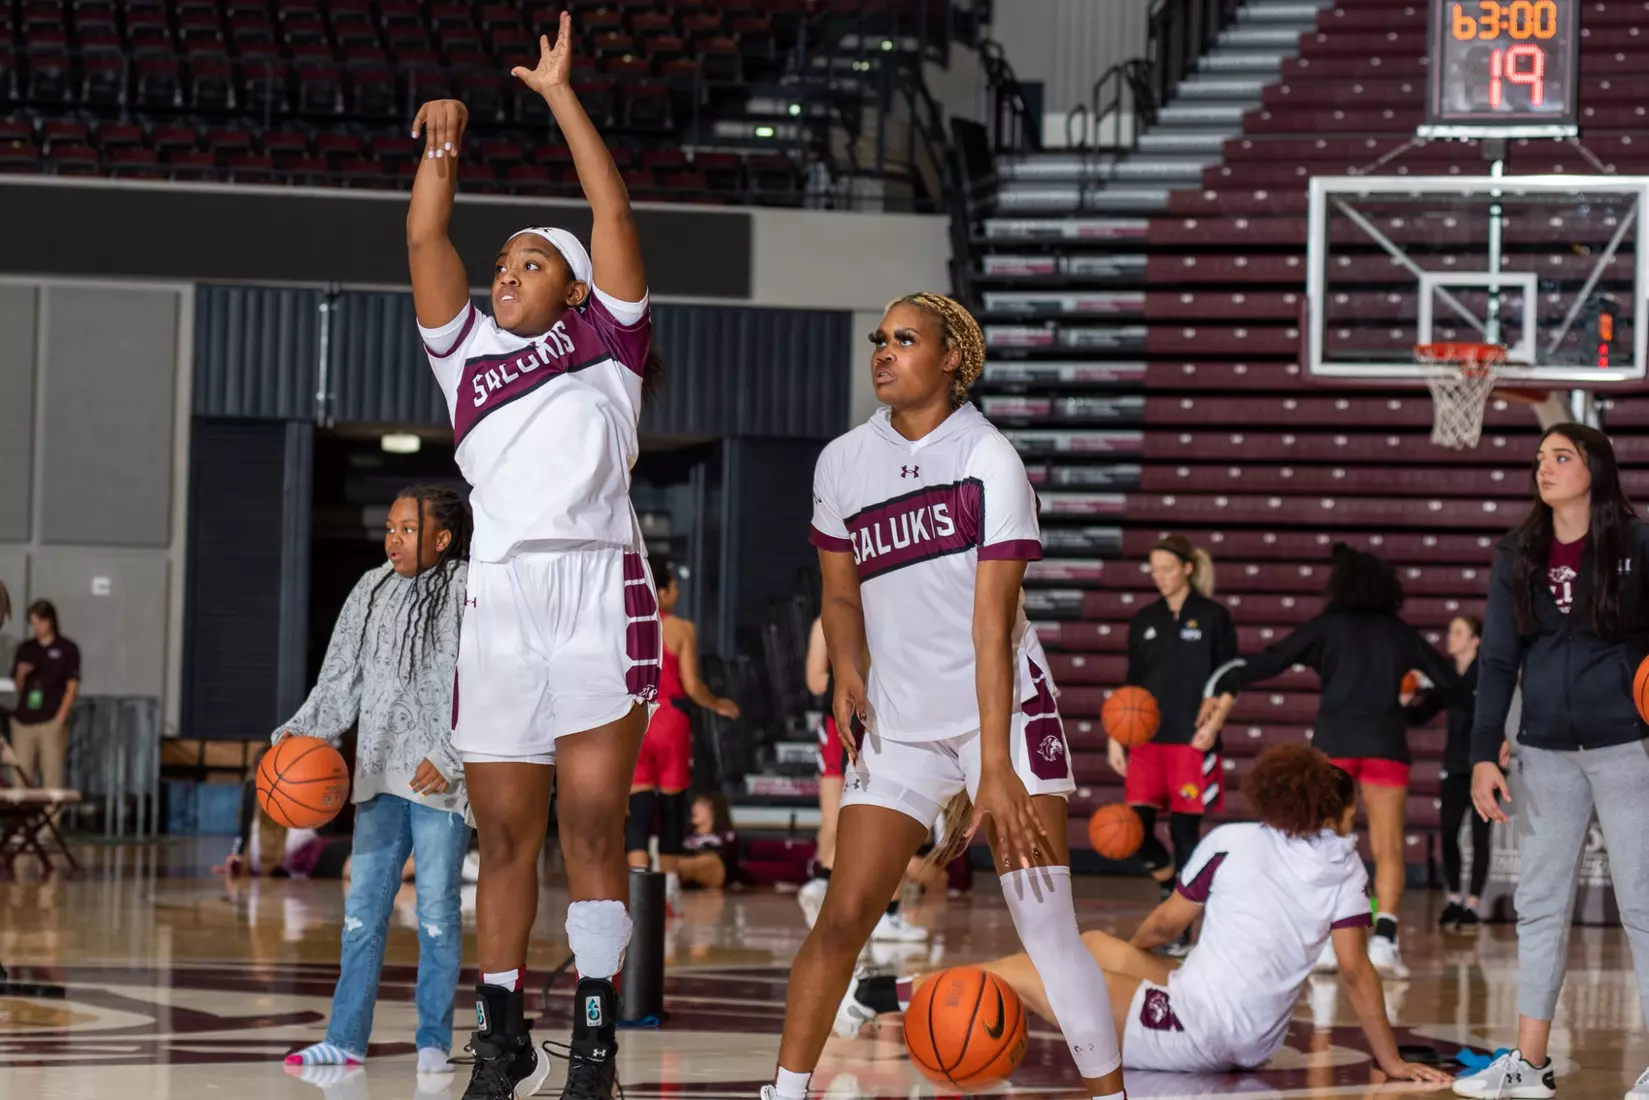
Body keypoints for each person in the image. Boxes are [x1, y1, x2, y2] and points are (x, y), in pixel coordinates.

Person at [771, 291, 1126, 1100]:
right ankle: (784, 1093)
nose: (883, 351)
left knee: (1044, 922)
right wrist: (848, 670)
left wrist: (991, 766)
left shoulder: (988, 459)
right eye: (878, 338)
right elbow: (839, 591)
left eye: (904, 339)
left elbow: (990, 628)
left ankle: (1110, 1097)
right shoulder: (842, 461)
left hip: (1001, 709)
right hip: (899, 720)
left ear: (952, 358)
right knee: (843, 914)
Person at [408, 17, 666, 1099]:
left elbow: (612, 213)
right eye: (503, 262)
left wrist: (559, 95)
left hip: (597, 585)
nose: (508, 272)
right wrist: (443, 147)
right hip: (503, 597)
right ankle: (501, 1034)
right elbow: (426, 243)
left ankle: (595, 1038)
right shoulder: (464, 355)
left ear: (573, 289)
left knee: (592, 823)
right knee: (506, 834)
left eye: (532, 261)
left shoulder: (608, 344)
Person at [832, 746, 1452, 1086]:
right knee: (1093, 945)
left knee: (1040, 972)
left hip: (1199, 1030)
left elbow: (1162, 928)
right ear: (1339, 816)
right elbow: (1356, 972)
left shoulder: (1233, 841)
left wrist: (1117, 976)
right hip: (1248, 1033)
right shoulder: (1346, 868)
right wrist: (1389, 1059)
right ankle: (879, 993)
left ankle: (877, 993)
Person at [1456, 423, 1649, 1100]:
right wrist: (1483, 751)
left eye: (1561, 457)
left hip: (1626, 744)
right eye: (1540, 458)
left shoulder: (1637, 543)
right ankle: (1530, 1065)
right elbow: (1497, 659)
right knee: (1538, 906)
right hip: (1542, 751)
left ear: (1595, 468)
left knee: (1643, 905)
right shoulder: (1517, 552)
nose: (1544, 467)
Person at [275, 486, 473, 1075]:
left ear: (443, 537)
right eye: (390, 528)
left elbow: (486, 681)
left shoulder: (470, 590)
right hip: (378, 776)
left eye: (408, 529)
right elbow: (340, 679)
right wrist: (300, 733)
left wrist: (452, 755)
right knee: (362, 913)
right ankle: (345, 1040)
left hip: (441, 782)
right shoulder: (370, 588)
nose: (394, 539)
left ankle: (432, 1039)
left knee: (437, 915)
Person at [1206, 544, 1456, 978]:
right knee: (1389, 846)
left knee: (1326, 842)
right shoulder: (1399, 632)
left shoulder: (1328, 626)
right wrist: (1418, 710)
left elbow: (1274, 659)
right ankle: (1384, 941)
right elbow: (1449, 682)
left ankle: (1324, 942)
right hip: (1385, 741)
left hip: (1335, 743)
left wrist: (1231, 674)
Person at [1109, 534, 1237, 955]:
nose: (1159, 577)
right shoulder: (1145, 619)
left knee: (1185, 835)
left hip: (1191, 742)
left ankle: (1181, 926)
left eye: (1166, 569)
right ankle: (1170, 888)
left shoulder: (1214, 616)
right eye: (1154, 570)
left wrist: (1214, 725)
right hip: (1146, 742)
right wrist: (1116, 737)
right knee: (1134, 829)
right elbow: (1130, 686)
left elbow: (1230, 678)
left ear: (1187, 568)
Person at [796, 617, 927, 943]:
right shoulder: (848, 619)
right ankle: (848, 897)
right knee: (877, 820)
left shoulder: (849, 618)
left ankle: (830, 888)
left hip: (866, 721)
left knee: (859, 821)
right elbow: (815, 681)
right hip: (856, 721)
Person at [626, 560, 739, 909]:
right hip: (671, 721)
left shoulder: (626, 626)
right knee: (672, 809)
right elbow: (691, 685)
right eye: (674, 587)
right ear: (662, 592)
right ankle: (669, 891)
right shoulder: (682, 629)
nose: (677, 593)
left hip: (637, 720)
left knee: (639, 810)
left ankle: (637, 891)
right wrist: (717, 703)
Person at [1402, 614, 1492, 932]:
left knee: (1480, 837)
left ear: (1475, 640)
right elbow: (1419, 716)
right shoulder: (1446, 676)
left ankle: (1473, 904)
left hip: (1483, 766)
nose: (1449, 638)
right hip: (1454, 766)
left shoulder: (1486, 672)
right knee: (1449, 834)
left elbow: (1464, 698)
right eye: (1450, 631)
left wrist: (1431, 680)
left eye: (1458, 632)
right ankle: (1454, 897)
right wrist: (1405, 701)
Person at [8, 599, 81, 793]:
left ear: (50, 621)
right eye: (33, 623)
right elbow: (18, 686)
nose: (36, 628)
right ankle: (24, 814)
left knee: (52, 778)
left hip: (50, 721)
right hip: (24, 721)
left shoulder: (67, 649)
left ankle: (50, 814)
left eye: (40, 622)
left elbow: (72, 687)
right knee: (21, 778)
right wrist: (21, 674)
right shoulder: (26, 649)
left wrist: (60, 719)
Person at [677, 790, 738, 889]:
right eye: (695, 804)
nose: (694, 808)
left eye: (701, 804)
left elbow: (723, 862)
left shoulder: (725, 835)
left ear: (714, 810)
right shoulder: (685, 834)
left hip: (713, 876)